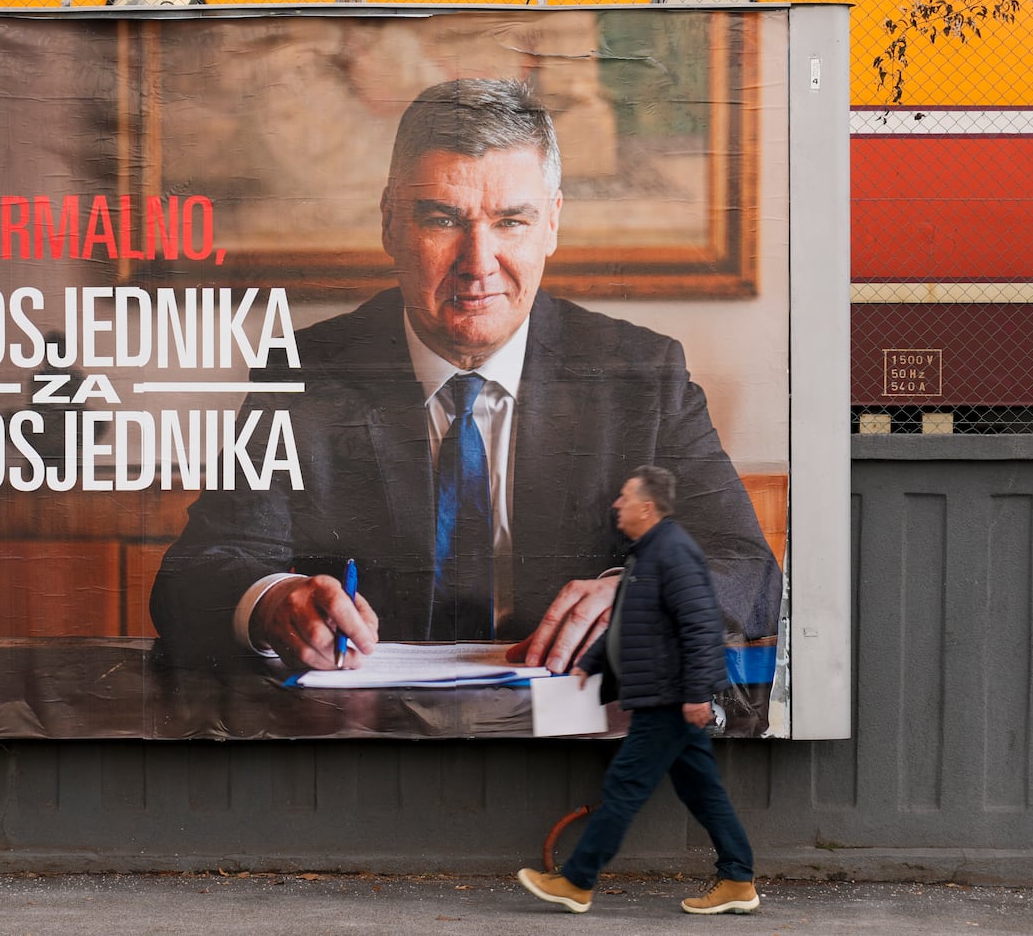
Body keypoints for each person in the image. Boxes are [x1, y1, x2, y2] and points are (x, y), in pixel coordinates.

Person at [149, 78, 781, 675]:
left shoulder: (642, 375)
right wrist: (272, 600)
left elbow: (746, 569)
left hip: (572, 739)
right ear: (391, 221)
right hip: (366, 740)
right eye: (443, 220)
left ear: (553, 223)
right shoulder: (308, 374)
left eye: (511, 221)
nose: (478, 264)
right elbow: (198, 573)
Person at [517, 465, 760, 916]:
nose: (617, 504)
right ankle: (738, 880)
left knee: (625, 786)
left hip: (667, 699)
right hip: (664, 695)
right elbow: (632, 626)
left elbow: (702, 626)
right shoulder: (647, 555)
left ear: (647, 506)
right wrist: (588, 666)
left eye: (625, 497)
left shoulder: (673, 553)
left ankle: (577, 881)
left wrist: (696, 694)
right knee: (703, 792)